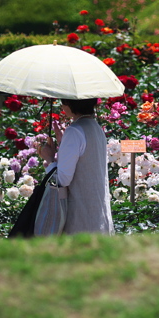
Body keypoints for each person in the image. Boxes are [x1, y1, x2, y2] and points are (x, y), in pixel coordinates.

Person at [36, 98, 113, 235]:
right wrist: (63, 143)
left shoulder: (74, 131)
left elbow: (63, 180)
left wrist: (49, 158)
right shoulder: (95, 127)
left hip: (79, 216)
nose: (62, 106)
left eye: (64, 102)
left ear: (71, 104)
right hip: (99, 216)